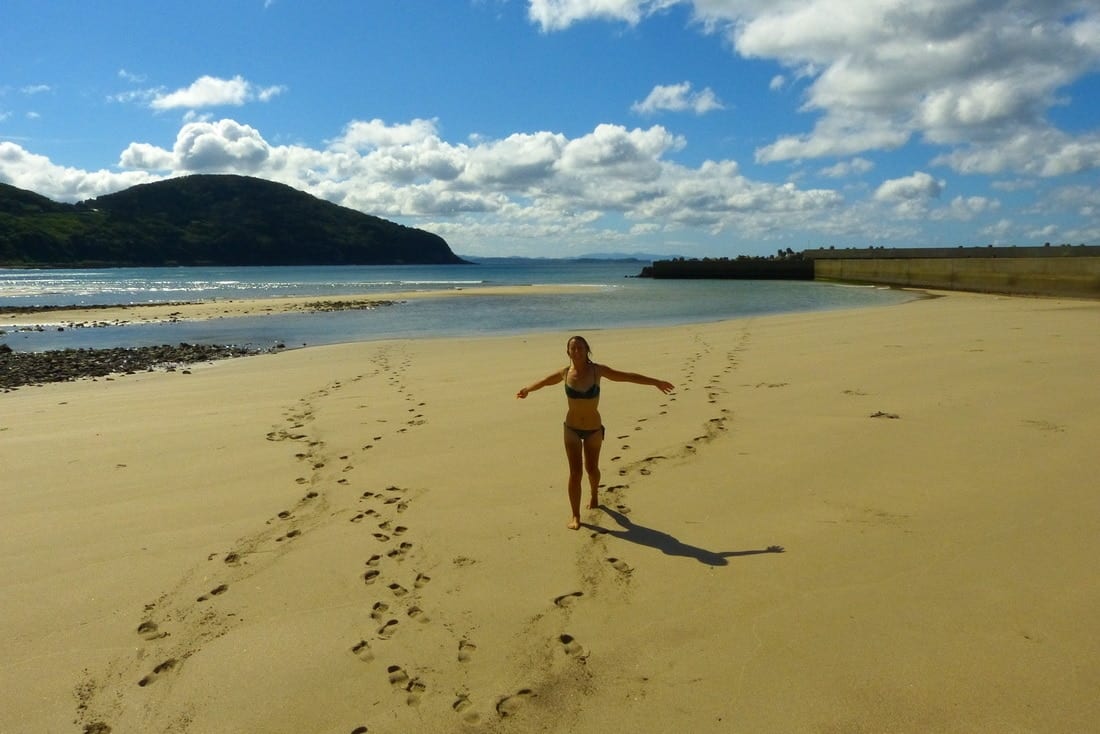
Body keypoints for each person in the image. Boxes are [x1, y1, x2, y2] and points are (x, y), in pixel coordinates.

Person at [516, 335, 674, 530]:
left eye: (580, 348)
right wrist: (527, 389)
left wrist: (655, 382)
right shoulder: (565, 373)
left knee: (592, 469)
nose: (576, 351)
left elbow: (627, 376)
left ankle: (594, 494)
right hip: (571, 429)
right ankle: (575, 515)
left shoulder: (597, 371)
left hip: (593, 430)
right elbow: (545, 381)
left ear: (586, 350)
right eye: (573, 348)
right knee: (575, 473)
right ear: (568, 352)